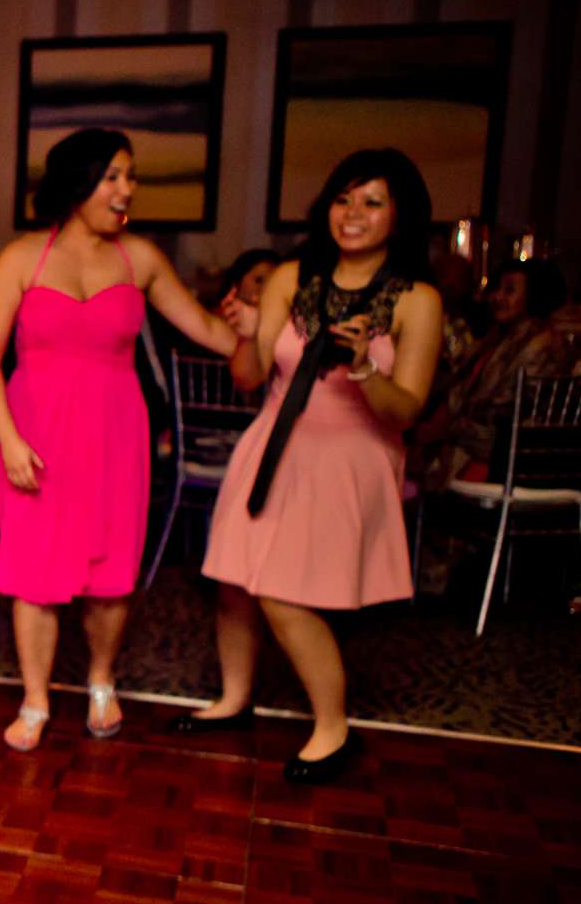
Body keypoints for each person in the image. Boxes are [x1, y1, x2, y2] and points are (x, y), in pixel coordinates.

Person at [0, 128, 252, 751]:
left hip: (115, 436)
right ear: (79, 185)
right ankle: (36, 700)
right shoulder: (22, 258)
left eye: (131, 177)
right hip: (34, 433)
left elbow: (205, 327)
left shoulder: (142, 258)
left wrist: (268, 343)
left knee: (110, 571)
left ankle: (101, 681)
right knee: (34, 572)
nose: (128, 190)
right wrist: (8, 441)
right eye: (114, 177)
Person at [185, 149, 445, 781]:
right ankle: (234, 699)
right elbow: (249, 377)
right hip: (273, 443)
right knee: (235, 582)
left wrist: (361, 369)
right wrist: (247, 331)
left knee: (285, 595)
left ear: (399, 215)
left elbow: (405, 409)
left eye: (372, 201)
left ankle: (332, 728)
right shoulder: (290, 278)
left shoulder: (417, 300)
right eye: (343, 198)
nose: (352, 214)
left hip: (349, 455)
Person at [413, 257, 569, 491]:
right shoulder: (497, 338)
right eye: (496, 289)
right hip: (463, 442)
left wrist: (451, 428)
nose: (497, 297)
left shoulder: (540, 344)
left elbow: (515, 411)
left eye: (509, 291)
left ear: (532, 295)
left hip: (495, 455)